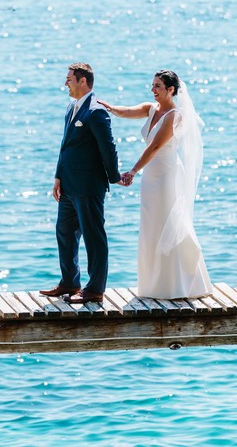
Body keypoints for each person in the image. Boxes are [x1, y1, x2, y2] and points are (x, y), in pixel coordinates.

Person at [97, 70, 212, 299]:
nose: (153, 89)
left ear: (171, 90)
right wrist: (109, 108)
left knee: (167, 224)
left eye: (158, 86)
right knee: (151, 225)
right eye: (152, 85)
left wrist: (133, 170)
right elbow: (126, 111)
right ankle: (153, 285)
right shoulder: (151, 109)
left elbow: (156, 147)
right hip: (151, 176)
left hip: (166, 176)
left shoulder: (174, 116)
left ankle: (177, 284)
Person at [40, 63, 122, 304]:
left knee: (93, 237)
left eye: (69, 79)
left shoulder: (96, 112)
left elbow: (108, 147)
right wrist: (58, 176)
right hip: (68, 184)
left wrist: (115, 177)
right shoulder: (71, 108)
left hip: (88, 185)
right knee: (64, 233)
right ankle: (69, 282)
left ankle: (95, 289)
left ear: (83, 81)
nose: (66, 83)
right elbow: (65, 146)